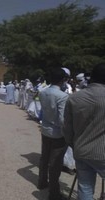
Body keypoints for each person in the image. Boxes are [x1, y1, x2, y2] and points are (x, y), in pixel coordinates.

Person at [63, 63, 105, 200]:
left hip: (81, 150)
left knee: (85, 188)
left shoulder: (74, 98)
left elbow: (67, 129)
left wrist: (74, 145)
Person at [37, 68, 68, 200]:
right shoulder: (62, 96)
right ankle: (54, 192)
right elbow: (62, 119)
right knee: (55, 163)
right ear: (63, 80)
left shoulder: (43, 92)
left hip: (45, 129)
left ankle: (42, 181)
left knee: (45, 157)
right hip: (57, 133)